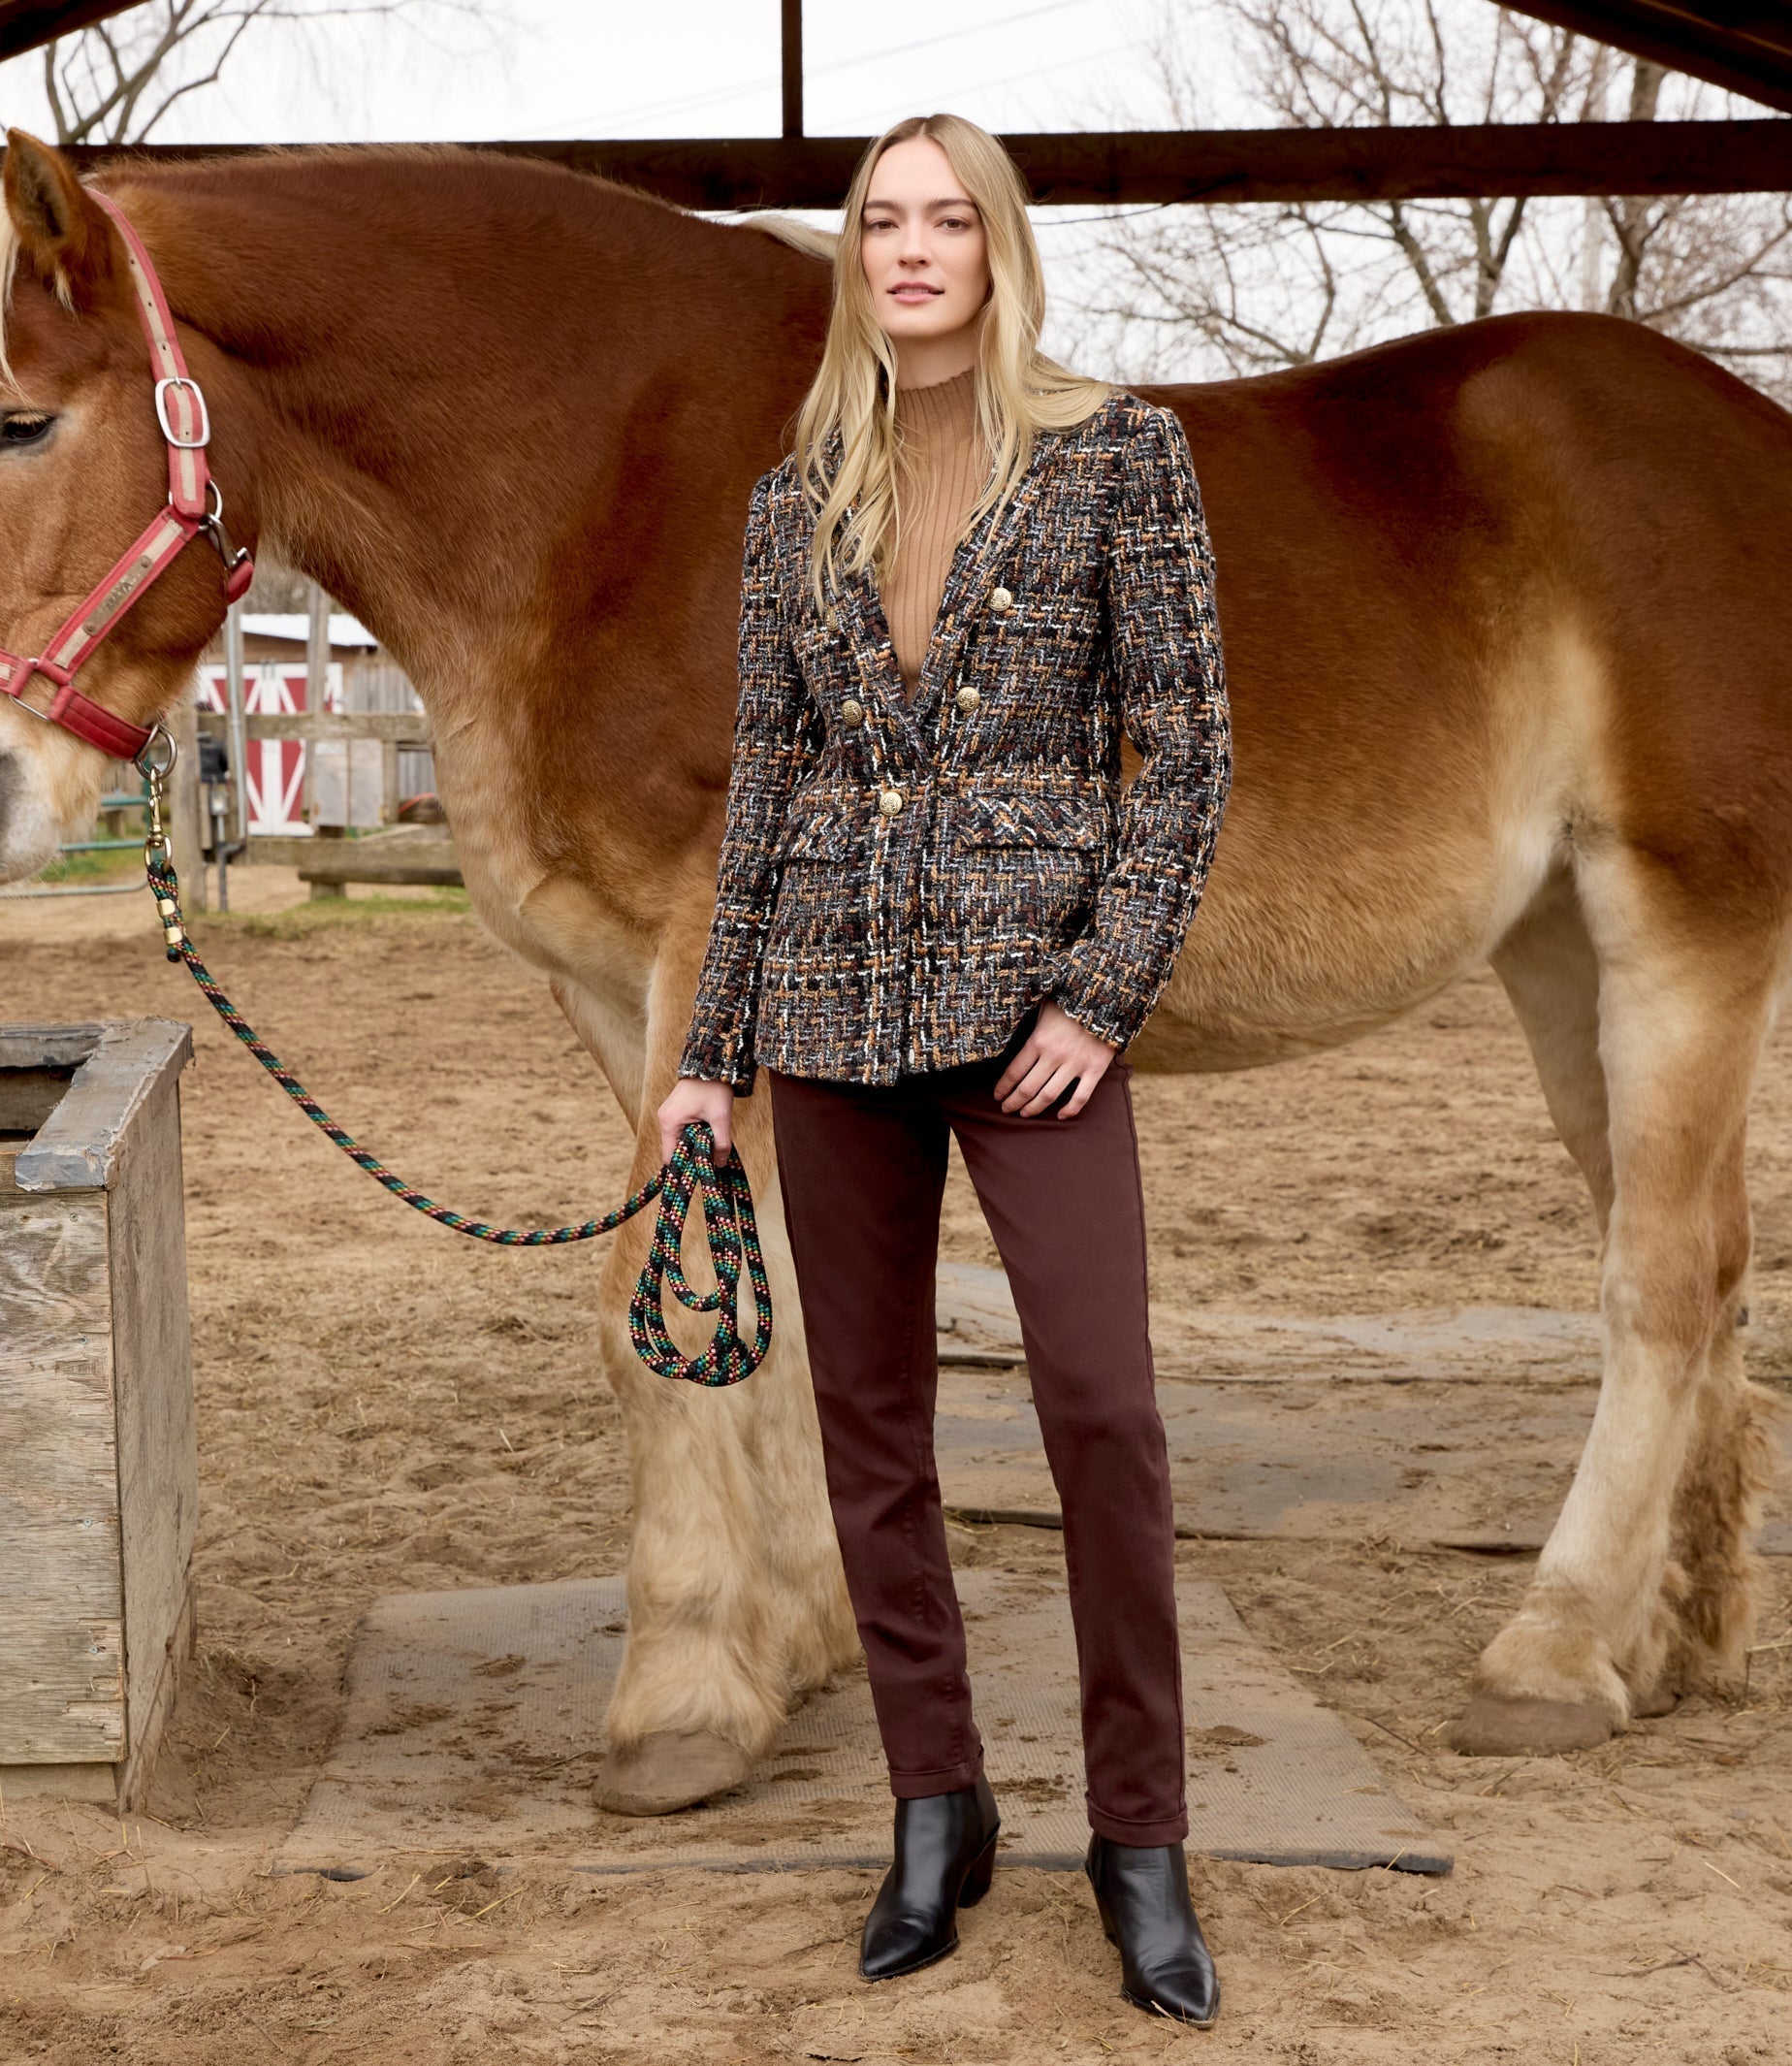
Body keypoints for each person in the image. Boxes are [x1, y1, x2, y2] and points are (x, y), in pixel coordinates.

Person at [655, 112, 1232, 2025]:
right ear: (854, 259)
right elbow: (770, 797)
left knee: (1101, 1416)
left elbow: (1188, 758)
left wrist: (1100, 993)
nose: (909, 249)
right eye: (878, 223)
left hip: (1031, 1037)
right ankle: (935, 1805)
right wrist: (705, 1056)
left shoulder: (1114, 457)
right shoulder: (787, 499)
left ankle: (1136, 1837)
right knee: (870, 1443)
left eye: (942, 219)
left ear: (995, 246)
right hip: (824, 1025)